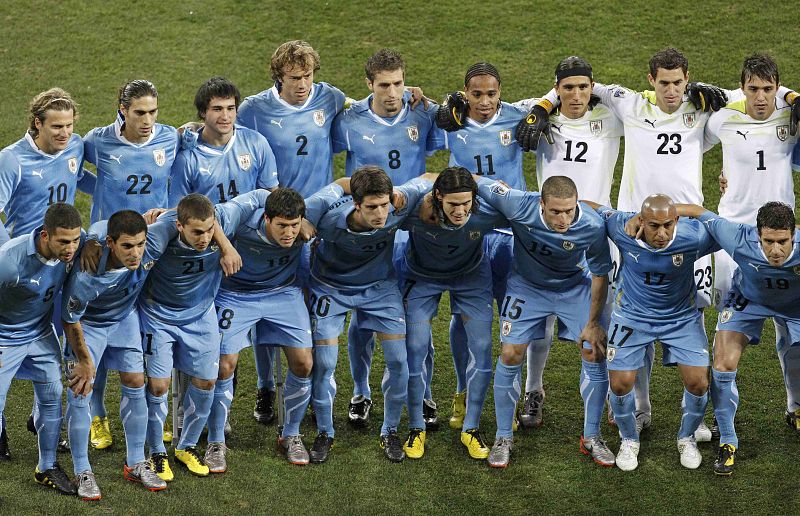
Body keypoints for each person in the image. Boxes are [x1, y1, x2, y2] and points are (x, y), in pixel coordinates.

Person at [521, 47, 728, 437]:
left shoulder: (701, 108)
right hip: (634, 230)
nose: (670, 90)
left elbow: (747, 107)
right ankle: (641, 406)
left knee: (694, 315)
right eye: (663, 82)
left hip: (686, 235)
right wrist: (544, 105)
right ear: (650, 81)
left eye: (678, 82)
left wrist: (711, 89)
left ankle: (696, 411)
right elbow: (576, 92)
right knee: (637, 315)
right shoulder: (627, 105)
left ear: (687, 80)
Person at [237, 41, 348, 422]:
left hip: (318, 225)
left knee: (316, 310)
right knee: (266, 306)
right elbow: (230, 138)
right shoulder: (253, 109)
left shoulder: (329, 99)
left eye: (307, 76)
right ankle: (266, 387)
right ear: (278, 77)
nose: (302, 85)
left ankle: (317, 394)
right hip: (276, 225)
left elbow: (364, 109)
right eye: (294, 78)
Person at [331, 48, 442, 428]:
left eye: (398, 83)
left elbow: (456, 127)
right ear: (369, 85)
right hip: (367, 232)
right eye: (384, 85)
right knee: (361, 320)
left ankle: (423, 392)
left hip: (411, 232)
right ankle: (360, 392)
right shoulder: (348, 118)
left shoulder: (423, 113)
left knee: (415, 323)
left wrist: (429, 99)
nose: (392, 92)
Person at [514, 56, 623, 429]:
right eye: (567, 87)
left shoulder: (612, 118)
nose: (576, 95)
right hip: (550, 230)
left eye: (583, 87)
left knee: (599, 320)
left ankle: (604, 393)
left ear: (593, 87)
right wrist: (543, 106)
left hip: (597, 233)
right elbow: (491, 107)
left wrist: (546, 102)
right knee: (540, 319)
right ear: (556, 87)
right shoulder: (540, 118)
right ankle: (534, 389)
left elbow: (647, 104)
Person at [475, 176, 612, 468]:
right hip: (526, 287)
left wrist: (592, 322)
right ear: (541, 204)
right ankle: (503, 437)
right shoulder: (517, 203)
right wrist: (429, 182)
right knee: (510, 353)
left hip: (573, 287)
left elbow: (600, 275)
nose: (564, 219)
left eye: (569, 211)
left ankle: (592, 436)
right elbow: (475, 181)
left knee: (594, 348)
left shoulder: (591, 225)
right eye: (556, 212)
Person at [303, 166, 433, 463]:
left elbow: (429, 179)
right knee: (323, 362)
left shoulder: (397, 205)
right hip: (330, 287)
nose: (380, 214)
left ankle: (390, 429)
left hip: (380, 288)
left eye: (384, 205)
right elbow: (320, 199)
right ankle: (325, 431)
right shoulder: (326, 216)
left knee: (399, 360)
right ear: (355, 204)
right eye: (371, 207)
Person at [82, 79, 184, 452]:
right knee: (103, 335)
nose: (147, 120)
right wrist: (103, 192)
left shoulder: (170, 138)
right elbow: (75, 167)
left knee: (151, 330)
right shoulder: (98, 140)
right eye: (139, 112)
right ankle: (97, 418)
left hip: (151, 251)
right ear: (122, 109)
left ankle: (156, 415)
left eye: (153, 112)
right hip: (110, 255)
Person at [663, 201, 800, 475]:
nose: (775, 250)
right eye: (768, 241)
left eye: (783, 242)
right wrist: (651, 217)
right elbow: (700, 212)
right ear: (757, 233)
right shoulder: (737, 237)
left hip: (795, 306)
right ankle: (728, 440)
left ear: (793, 234)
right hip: (747, 300)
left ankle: (794, 408)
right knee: (723, 364)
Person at [705, 53, 800, 432]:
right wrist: (723, 175)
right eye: (753, 89)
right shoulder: (722, 118)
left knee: (788, 331)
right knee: (727, 330)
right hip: (734, 240)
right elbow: (693, 147)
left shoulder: (790, 119)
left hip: (779, 241)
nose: (760, 97)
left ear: (777, 88)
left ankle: (795, 405)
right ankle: (721, 415)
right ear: (741, 88)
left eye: (768, 89)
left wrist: (792, 98)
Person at [590, 195, 718, 471]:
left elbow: (723, 227)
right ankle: (629, 440)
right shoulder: (621, 228)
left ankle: (686, 438)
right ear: (641, 222)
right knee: (620, 384)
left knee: (698, 383)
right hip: (632, 318)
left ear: (677, 222)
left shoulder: (694, 237)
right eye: (654, 226)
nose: (661, 234)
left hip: (681, 318)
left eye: (668, 225)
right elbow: (587, 206)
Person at [138, 190, 259, 480]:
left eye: (209, 230)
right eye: (196, 232)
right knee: (158, 385)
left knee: (207, 380)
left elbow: (259, 197)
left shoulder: (223, 221)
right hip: (159, 315)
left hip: (201, 314)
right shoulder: (158, 235)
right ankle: (156, 451)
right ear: (179, 226)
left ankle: (187, 445)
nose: (204, 238)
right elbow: (122, 240)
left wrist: (304, 220)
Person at [0, 87, 94, 457]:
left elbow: (86, 180)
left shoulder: (73, 147)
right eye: (56, 126)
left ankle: (42, 418)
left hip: (62, 259)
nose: (64, 134)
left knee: (60, 336)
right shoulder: (11, 160)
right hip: (23, 264)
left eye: (69, 126)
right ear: (36, 123)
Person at [434, 62, 528, 431]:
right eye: (476, 94)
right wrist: (432, 99)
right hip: (468, 234)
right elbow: (414, 107)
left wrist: (544, 108)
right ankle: (462, 391)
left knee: (514, 318)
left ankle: (512, 394)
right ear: (464, 93)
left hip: (508, 235)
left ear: (500, 92)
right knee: (462, 317)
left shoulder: (519, 118)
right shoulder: (450, 121)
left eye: (491, 93)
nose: (485, 101)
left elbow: (554, 102)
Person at [61, 210, 179, 496]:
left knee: (137, 381)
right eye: (127, 246)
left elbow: (188, 212)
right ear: (110, 243)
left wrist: (160, 212)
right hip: (87, 324)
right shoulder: (87, 273)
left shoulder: (152, 242)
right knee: (81, 388)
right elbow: (69, 319)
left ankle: (136, 462)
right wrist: (86, 361)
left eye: (140, 244)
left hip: (124, 319)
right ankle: (82, 471)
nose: (136, 253)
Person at [398, 167, 504, 459]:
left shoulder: (487, 211)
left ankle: (471, 428)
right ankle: (416, 427)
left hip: (471, 277)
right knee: (416, 347)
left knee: (482, 348)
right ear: (437, 197)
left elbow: (531, 210)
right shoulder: (412, 211)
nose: (460, 211)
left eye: (466, 203)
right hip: (421, 277)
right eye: (453, 204)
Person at [208, 188, 318, 467]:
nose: (289, 233)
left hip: (283, 293)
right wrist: (227, 247)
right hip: (235, 294)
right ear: (266, 219)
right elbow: (207, 216)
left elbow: (341, 186)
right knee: (223, 366)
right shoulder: (242, 221)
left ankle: (290, 434)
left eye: (294, 225)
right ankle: (216, 439)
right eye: (282, 225)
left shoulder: (302, 226)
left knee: (304, 363)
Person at [0, 203, 93, 496]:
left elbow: (101, 234)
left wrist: (90, 244)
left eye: (76, 240)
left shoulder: (78, 245)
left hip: (40, 334)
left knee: (52, 397)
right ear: (44, 235)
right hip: (3, 336)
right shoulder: (10, 260)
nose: (71, 248)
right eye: (64, 241)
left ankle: (47, 466)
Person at [170, 76, 278, 205]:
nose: (225, 116)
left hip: (250, 224)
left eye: (230, 108)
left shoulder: (256, 143)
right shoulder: (187, 157)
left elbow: (271, 194)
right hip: (210, 225)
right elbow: (178, 210)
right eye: (217, 109)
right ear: (203, 112)